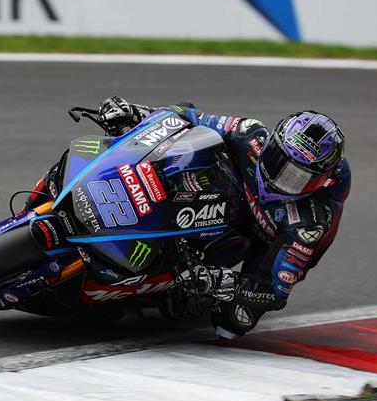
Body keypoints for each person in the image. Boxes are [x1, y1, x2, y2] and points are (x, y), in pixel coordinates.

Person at [28, 96, 349, 339]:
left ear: (321, 181)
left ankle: (166, 290)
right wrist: (133, 113)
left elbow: (275, 292)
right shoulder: (250, 134)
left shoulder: (308, 223)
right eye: (281, 162)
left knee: (233, 323)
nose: (283, 179)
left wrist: (223, 282)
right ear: (273, 145)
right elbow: (184, 116)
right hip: (231, 195)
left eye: (298, 178)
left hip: (266, 239)